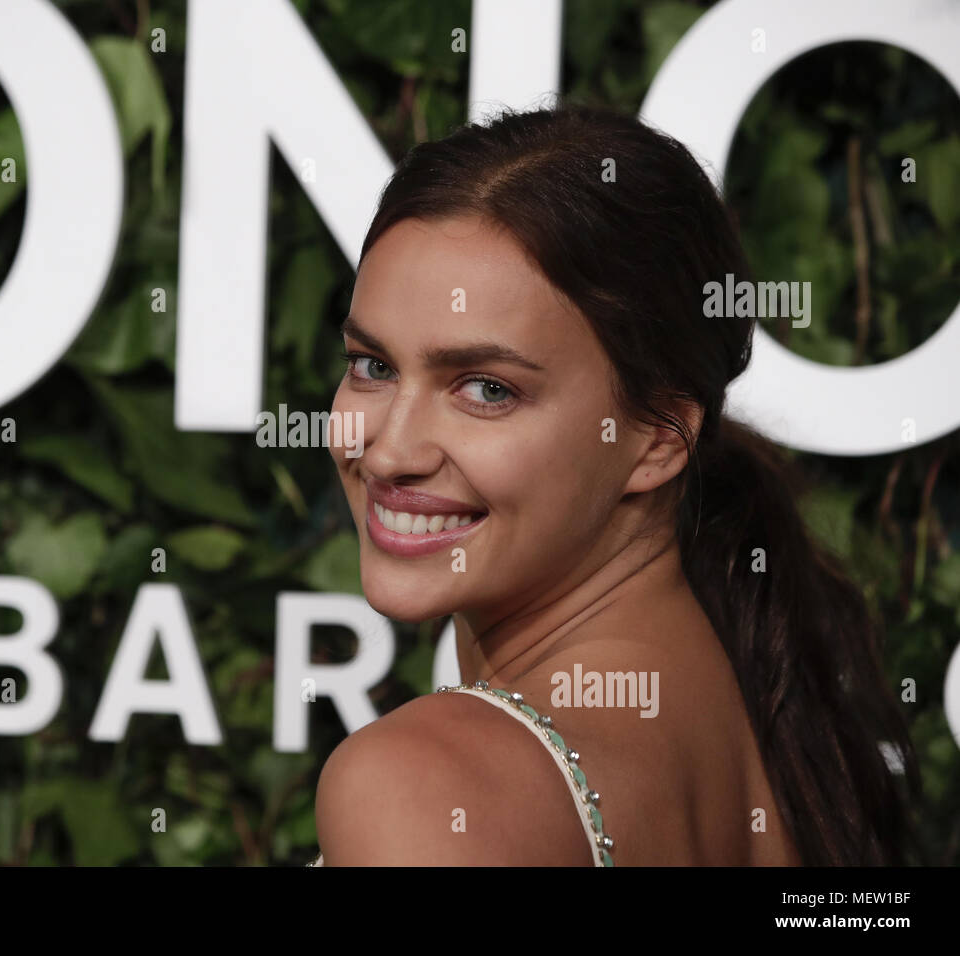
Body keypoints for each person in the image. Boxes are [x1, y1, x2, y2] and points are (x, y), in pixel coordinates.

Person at [308, 104, 919, 866]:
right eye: (373, 366)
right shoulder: (772, 724)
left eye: (487, 390)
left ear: (659, 438)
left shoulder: (422, 787)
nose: (390, 451)